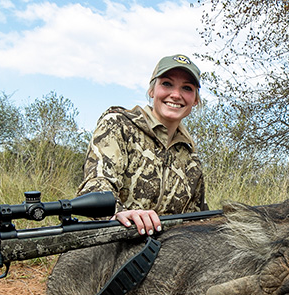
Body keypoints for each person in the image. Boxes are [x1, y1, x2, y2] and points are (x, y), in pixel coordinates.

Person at [76, 54, 207, 235]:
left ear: (195, 100)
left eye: (187, 88)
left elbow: (198, 217)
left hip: (169, 252)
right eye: (167, 84)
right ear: (152, 91)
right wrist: (119, 213)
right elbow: (96, 184)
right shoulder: (117, 125)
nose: (176, 95)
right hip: (116, 241)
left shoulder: (191, 159)